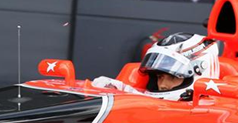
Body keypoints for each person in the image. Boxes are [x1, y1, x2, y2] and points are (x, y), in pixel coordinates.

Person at [92, 32, 220, 101]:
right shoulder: (153, 101)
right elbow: (140, 99)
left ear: (199, 73)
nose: (162, 85)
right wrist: (115, 88)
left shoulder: (212, 109)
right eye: (159, 76)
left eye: (172, 77)